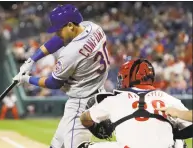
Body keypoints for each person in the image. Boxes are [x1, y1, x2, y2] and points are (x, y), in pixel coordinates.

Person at [13, 4, 110, 148]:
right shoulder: (94, 27)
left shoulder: (71, 53)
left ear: (70, 25)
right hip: (97, 91)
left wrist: (27, 79)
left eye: (59, 30)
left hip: (81, 102)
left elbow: (53, 83)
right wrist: (31, 60)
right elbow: (58, 40)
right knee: (57, 144)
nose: (58, 34)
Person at [78, 59, 192, 148]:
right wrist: (174, 133)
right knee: (179, 142)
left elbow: (84, 118)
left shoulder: (115, 99)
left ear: (127, 78)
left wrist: (96, 127)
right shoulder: (170, 99)